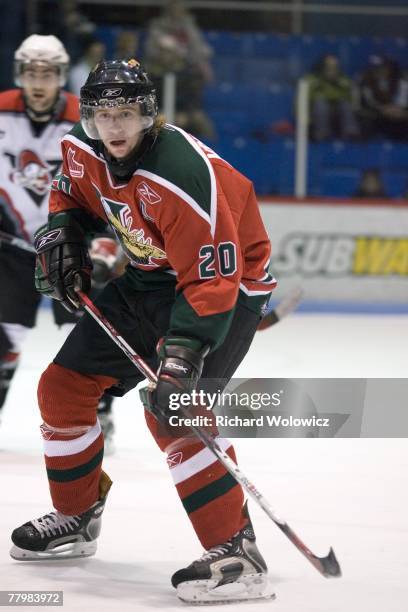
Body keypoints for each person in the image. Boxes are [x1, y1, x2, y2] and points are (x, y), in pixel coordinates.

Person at [9, 58, 276, 604]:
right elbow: (71, 198)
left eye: (126, 113)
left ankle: (236, 551)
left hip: (227, 288)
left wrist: (181, 357)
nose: (115, 126)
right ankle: (77, 515)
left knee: (174, 409)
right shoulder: (83, 151)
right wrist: (62, 235)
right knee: (61, 388)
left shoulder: (178, 173)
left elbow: (212, 276)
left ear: (148, 114)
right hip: (151, 277)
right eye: (104, 114)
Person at [0, 34, 118, 451]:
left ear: (61, 75)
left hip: (72, 240)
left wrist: (106, 244)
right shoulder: (0, 110)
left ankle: (99, 409)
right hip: (13, 244)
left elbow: (108, 185)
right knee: (5, 332)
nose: (39, 81)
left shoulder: (84, 118)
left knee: (84, 330)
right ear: (19, 73)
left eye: (48, 73)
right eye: (31, 72)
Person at [144, 0, 215, 140]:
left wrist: (188, 114)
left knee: (200, 123)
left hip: (184, 107)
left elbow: (192, 102)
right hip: (160, 107)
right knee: (161, 121)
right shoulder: (154, 77)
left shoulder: (188, 76)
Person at [305, 54, 359, 141]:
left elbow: (351, 100)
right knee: (320, 103)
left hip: (338, 117)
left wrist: (336, 84)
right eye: (329, 67)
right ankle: (322, 134)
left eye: (335, 67)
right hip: (316, 118)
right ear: (322, 67)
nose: (332, 70)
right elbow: (304, 103)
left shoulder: (344, 81)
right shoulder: (311, 80)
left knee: (344, 104)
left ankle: (350, 133)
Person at [357, 55, 408, 140]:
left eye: (382, 67)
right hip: (378, 116)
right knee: (368, 119)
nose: (379, 71)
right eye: (376, 68)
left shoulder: (401, 82)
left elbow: (403, 102)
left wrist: (399, 111)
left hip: (398, 117)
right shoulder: (366, 81)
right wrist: (383, 109)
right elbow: (369, 102)